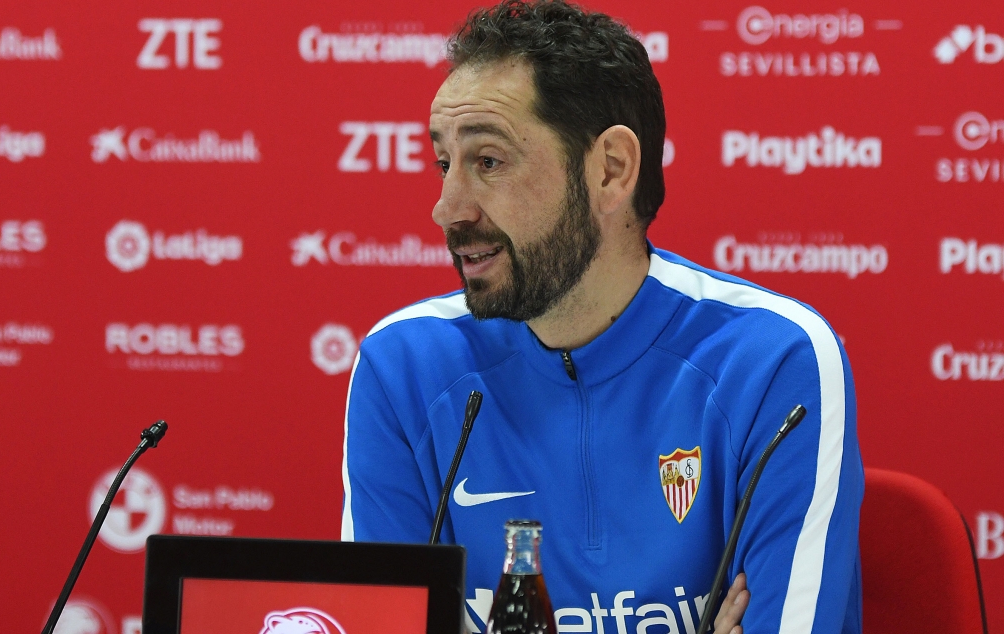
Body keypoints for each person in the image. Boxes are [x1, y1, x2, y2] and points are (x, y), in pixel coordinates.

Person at [340, 1, 863, 632]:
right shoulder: (405, 368)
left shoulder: (772, 361)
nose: (447, 208)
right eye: (444, 163)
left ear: (610, 169)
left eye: (488, 161)